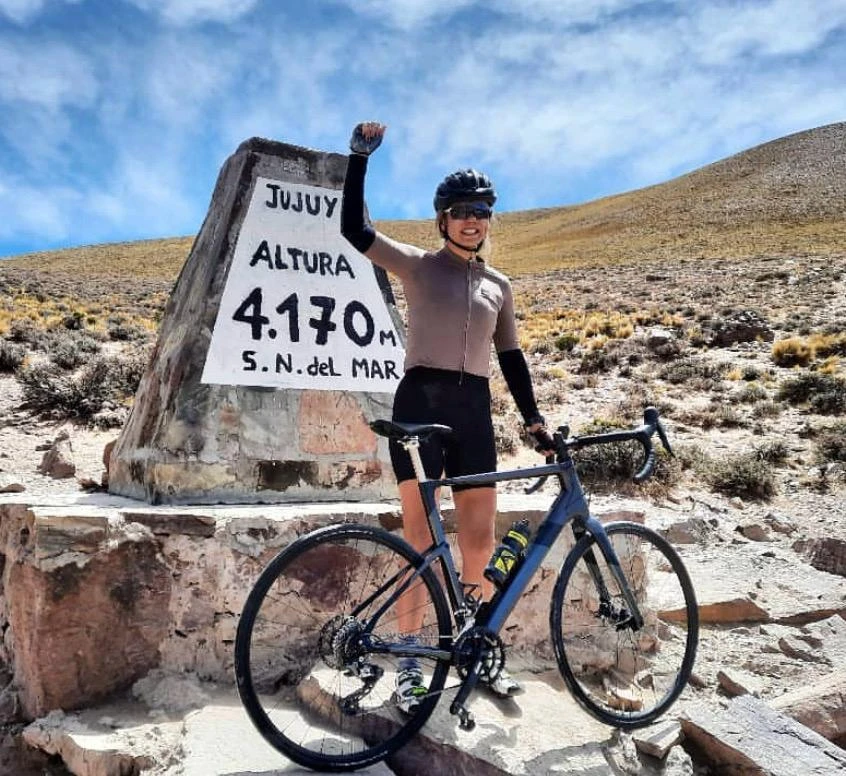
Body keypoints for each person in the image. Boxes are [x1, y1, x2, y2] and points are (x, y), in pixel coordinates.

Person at [341, 121, 553, 713]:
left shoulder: (499, 286)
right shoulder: (416, 265)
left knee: (480, 542)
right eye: (460, 212)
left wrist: (534, 421)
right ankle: (411, 663)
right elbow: (354, 230)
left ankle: (471, 651)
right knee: (419, 541)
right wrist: (358, 159)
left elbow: (511, 358)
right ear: (442, 220)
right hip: (420, 406)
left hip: (474, 412)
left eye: (481, 212)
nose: (471, 221)